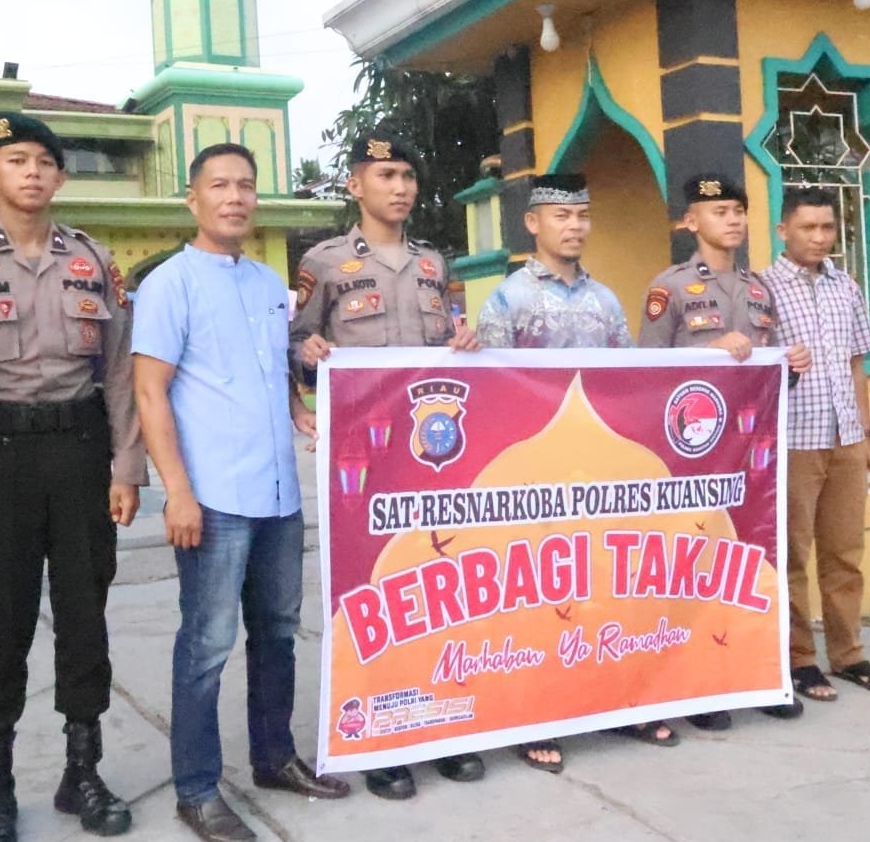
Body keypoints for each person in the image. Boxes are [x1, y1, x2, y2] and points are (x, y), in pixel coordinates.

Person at [0, 113, 144, 842]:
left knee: (85, 616)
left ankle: (83, 774)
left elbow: (120, 373)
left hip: (80, 451)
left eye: (45, 162)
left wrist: (126, 466)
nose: (32, 173)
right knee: (4, 623)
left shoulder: (92, 259)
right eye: (16, 160)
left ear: (61, 176)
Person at [133, 143, 349, 842]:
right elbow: (150, 392)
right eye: (220, 185)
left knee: (278, 633)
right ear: (193, 199)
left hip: (279, 491)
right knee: (207, 644)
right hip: (215, 496)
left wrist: (296, 408)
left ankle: (274, 756)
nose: (235, 197)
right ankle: (196, 789)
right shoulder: (169, 284)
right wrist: (177, 492)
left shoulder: (265, 283)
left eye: (246, 186)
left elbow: (270, 367)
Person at [291, 130, 483, 801]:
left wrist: (467, 338)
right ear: (355, 186)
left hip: (435, 455)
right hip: (365, 459)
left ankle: (444, 724)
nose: (399, 187)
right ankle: (380, 735)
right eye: (385, 176)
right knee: (371, 594)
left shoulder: (433, 262)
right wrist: (307, 357)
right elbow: (295, 345)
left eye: (407, 176)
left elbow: (453, 334)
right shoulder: (324, 262)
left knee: (441, 586)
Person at [478, 172, 681, 765]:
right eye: (561, 216)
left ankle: (621, 703)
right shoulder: (507, 299)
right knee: (539, 599)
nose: (575, 226)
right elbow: (491, 392)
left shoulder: (606, 301)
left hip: (600, 479)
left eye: (583, 215)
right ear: (533, 223)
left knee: (608, 591)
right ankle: (536, 717)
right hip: (536, 481)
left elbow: (628, 383)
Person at [639, 173, 810, 730]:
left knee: (759, 563)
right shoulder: (668, 288)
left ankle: (763, 673)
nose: (733, 220)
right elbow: (646, 376)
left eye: (738, 210)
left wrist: (790, 367)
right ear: (691, 222)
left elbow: (769, 380)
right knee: (698, 568)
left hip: (753, 459)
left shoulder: (760, 289)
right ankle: (700, 687)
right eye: (719, 211)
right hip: (693, 458)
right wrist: (710, 351)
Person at [759, 187, 870, 702]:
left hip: (844, 439)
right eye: (807, 228)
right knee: (793, 554)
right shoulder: (762, 289)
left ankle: (848, 654)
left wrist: (867, 436)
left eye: (826, 227)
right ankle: (799, 659)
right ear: (783, 231)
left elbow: (856, 364)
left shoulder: (847, 287)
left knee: (844, 552)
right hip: (793, 440)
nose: (819, 237)